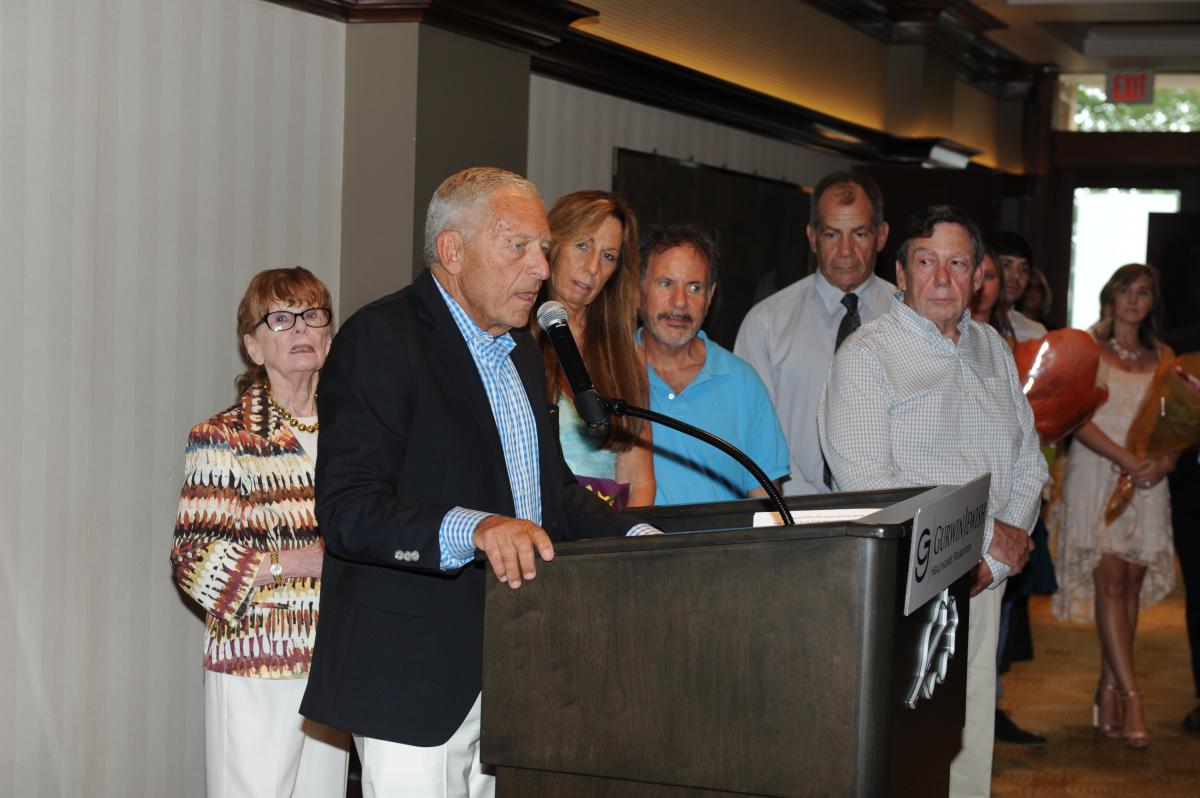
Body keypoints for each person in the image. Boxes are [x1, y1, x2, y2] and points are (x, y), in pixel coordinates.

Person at [299, 167, 657, 797]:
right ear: (453, 250)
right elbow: (350, 509)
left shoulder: (520, 352)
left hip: (512, 663)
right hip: (411, 673)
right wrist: (477, 528)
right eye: (517, 246)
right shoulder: (383, 337)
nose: (540, 269)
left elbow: (550, 497)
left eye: (542, 248)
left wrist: (642, 538)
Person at [819, 206, 1046, 798]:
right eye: (926, 262)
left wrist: (996, 556)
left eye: (958, 263)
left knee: (971, 745)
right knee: (910, 756)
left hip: (983, 581)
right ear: (901, 273)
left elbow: (1029, 460)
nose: (942, 278)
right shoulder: (867, 356)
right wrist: (983, 536)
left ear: (978, 276)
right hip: (908, 587)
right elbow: (868, 485)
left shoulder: (992, 348)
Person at [171, 267, 350, 797]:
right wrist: (293, 562)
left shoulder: (355, 434)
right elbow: (192, 560)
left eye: (312, 315)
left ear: (329, 335)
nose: (301, 328)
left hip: (338, 659)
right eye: (281, 319)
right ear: (253, 347)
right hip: (257, 660)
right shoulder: (223, 437)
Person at [1050, 263, 1177, 750]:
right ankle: (1132, 696)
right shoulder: (1088, 348)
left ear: (1152, 303)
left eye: (1143, 292)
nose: (1133, 300)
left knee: (1130, 586)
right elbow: (1075, 417)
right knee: (1110, 583)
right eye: (1126, 290)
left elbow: (1175, 422)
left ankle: (1106, 689)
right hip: (1097, 474)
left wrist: (1162, 464)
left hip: (1147, 480)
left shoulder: (1163, 357)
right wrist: (1125, 459)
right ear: (1111, 296)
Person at [735, 171, 893, 495]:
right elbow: (747, 434)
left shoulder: (911, 320)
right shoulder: (766, 324)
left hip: (891, 507)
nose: (846, 250)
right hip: (791, 509)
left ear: (881, 235)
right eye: (832, 234)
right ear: (812, 236)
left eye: (859, 234)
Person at [637, 223, 789, 505]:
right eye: (666, 284)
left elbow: (768, 505)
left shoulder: (743, 383)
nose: (680, 302)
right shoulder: (611, 371)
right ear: (638, 289)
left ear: (709, 297)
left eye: (694, 288)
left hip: (727, 537)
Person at [971, 249, 1049, 747]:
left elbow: (1027, 449)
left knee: (1001, 615)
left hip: (1007, 508)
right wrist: (986, 535)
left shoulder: (1002, 344)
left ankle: (992, 704)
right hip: (961, 525)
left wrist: (1010, 534)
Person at [538, 190, 654, 508]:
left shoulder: (627, 355)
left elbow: (639, 479)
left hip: (604, 527)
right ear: (553, 244)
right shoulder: (514, 337)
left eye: (608, 256)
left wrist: (626, 535)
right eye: (582, 245)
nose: (592, 267)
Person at [992, 230, 1047, 343]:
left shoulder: (1036, 334)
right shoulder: (963, 325)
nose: (1016, 276)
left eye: (1023, 269)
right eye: (1006, 265)